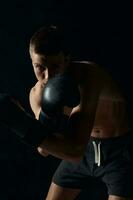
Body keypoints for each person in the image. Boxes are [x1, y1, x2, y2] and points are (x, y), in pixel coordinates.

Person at [0, 26, 133, 200]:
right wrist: (22, 119)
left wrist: (19, 122)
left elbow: (74, 150)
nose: (47, 76)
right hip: (85, 152)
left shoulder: (89, 76)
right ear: (32, 61)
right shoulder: (36, 94)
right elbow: (44, 149)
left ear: (67, 59)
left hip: (118, 154)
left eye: (55, 66)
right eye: (40, 67)